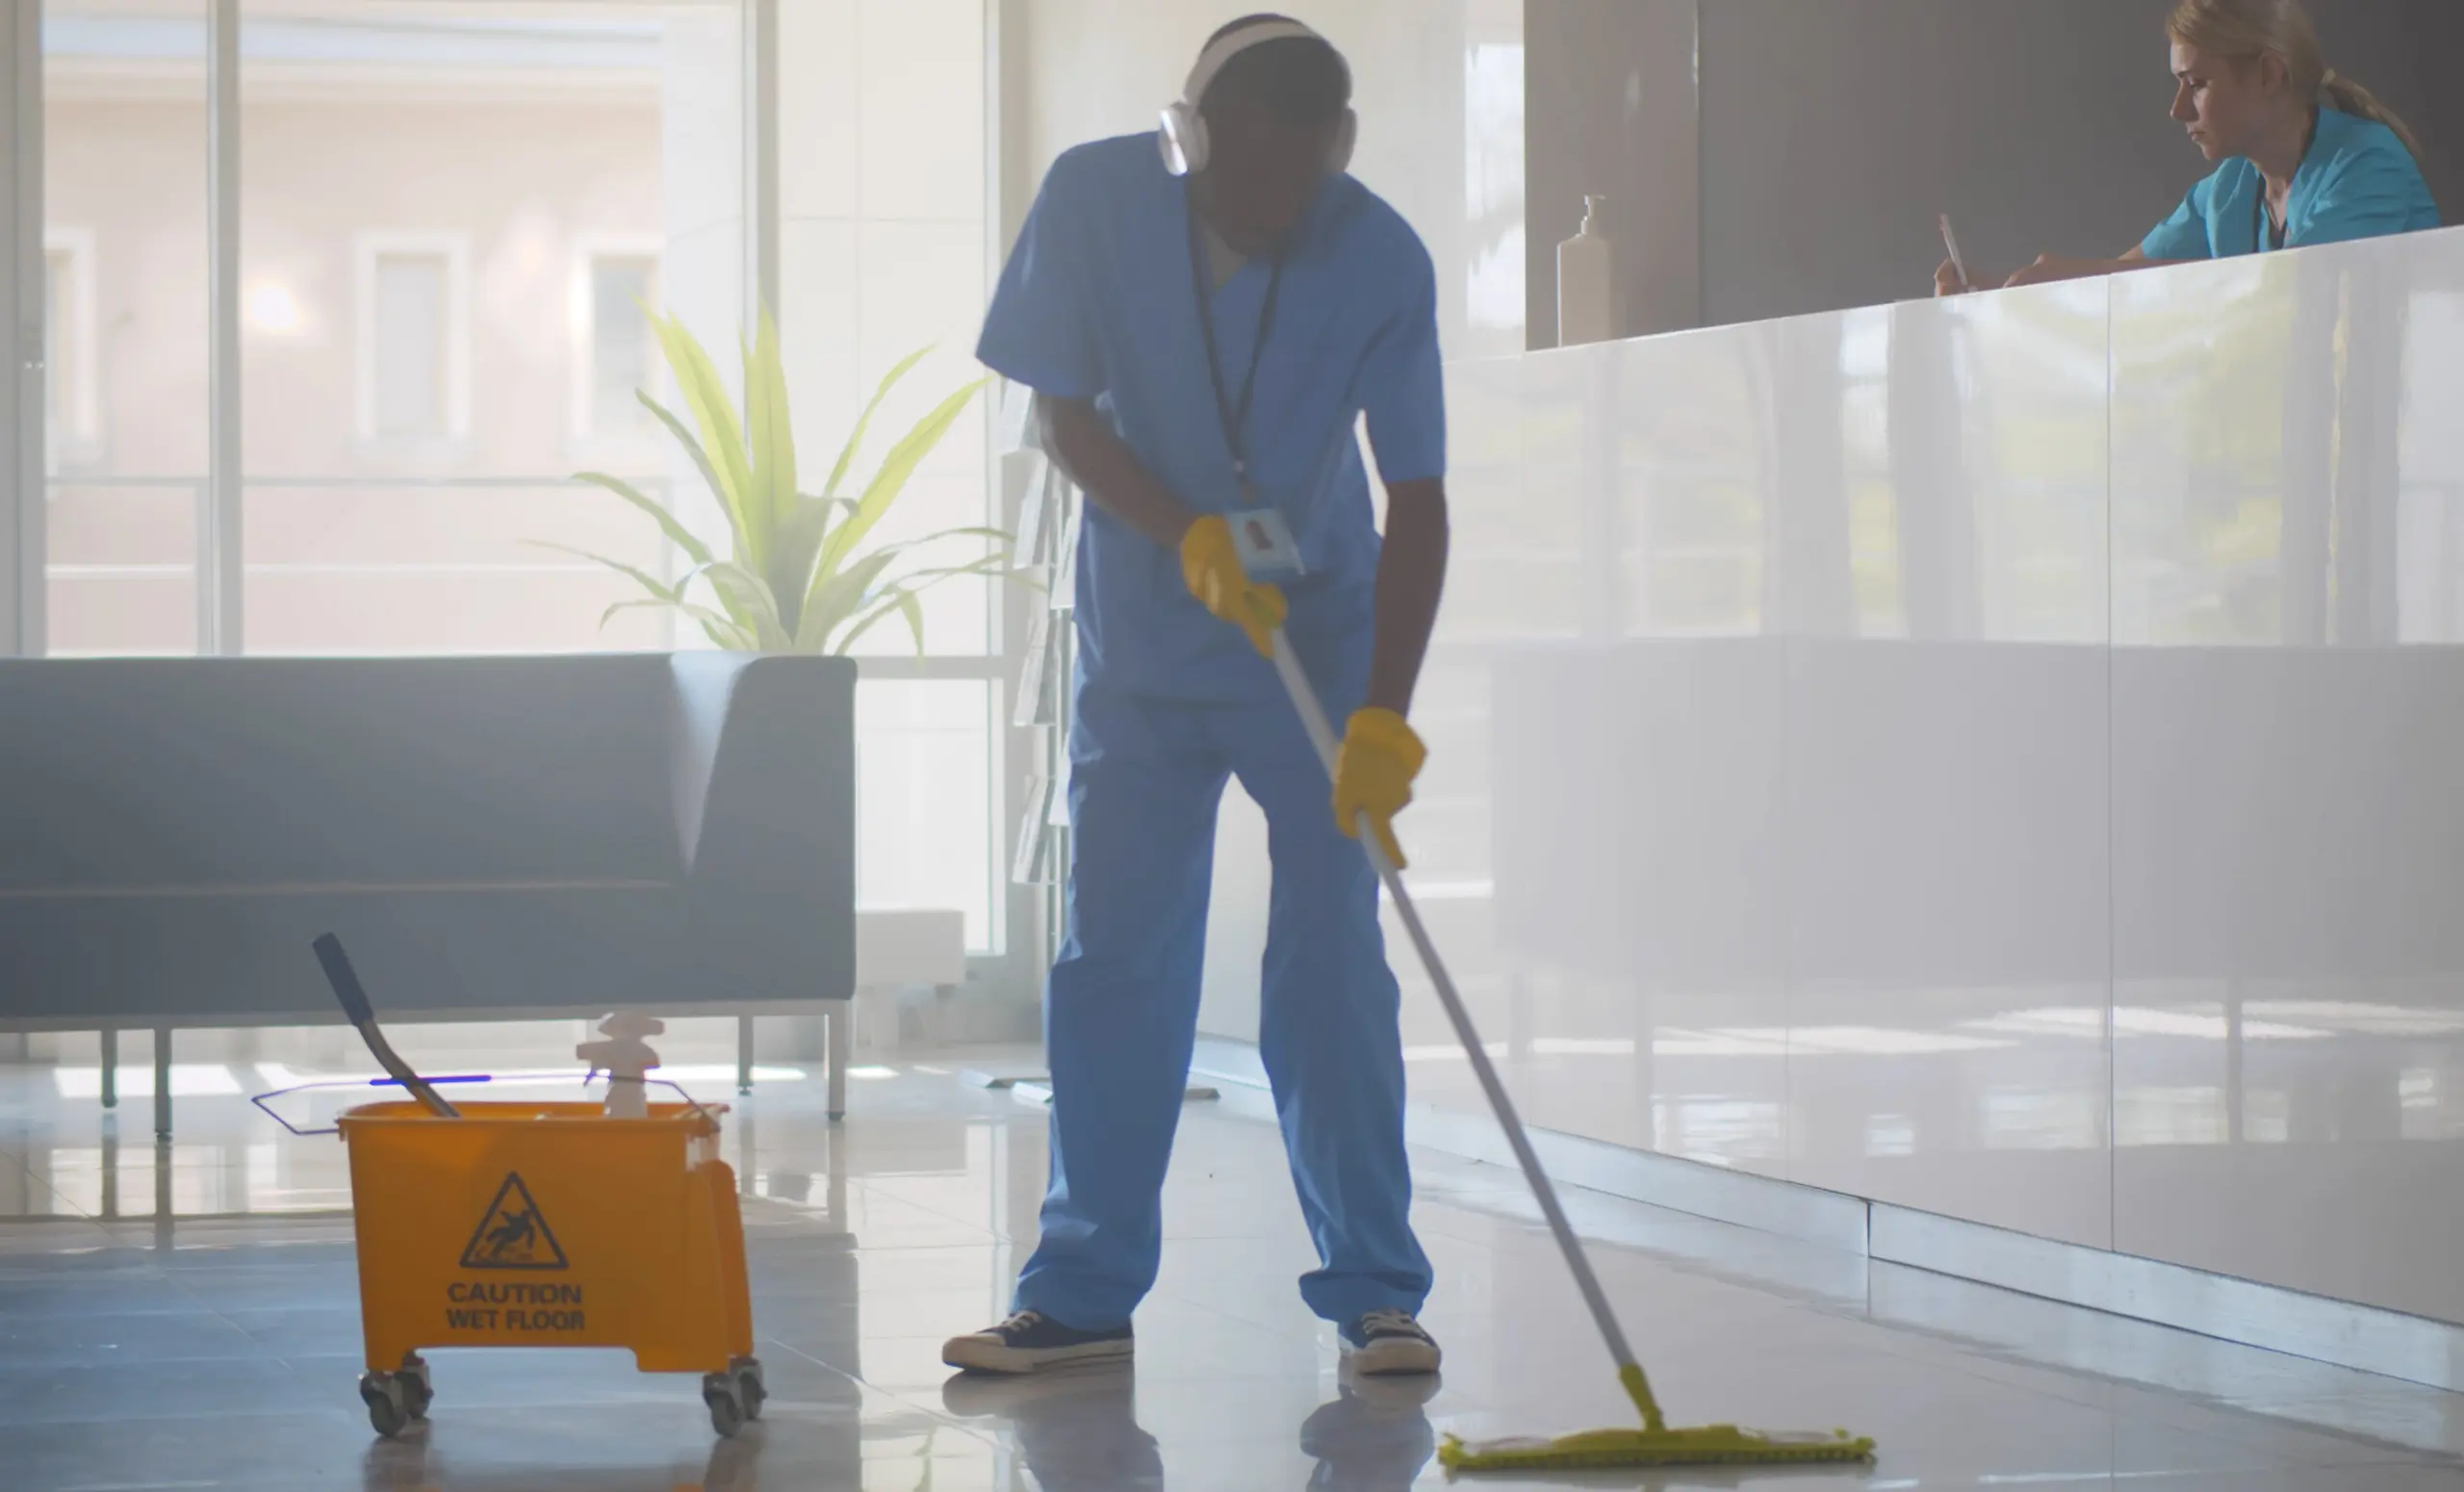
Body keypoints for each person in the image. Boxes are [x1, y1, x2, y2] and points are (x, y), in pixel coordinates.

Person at [940, 14, 1450, 1378]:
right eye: (1248, 186)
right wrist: (1187, 531)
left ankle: (1376, 1289)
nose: (1277, 213)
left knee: (1335, 960)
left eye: (1304, 187)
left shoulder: (1382, 253)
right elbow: (1063, 415)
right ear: (1194, 140)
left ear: (1337, 155)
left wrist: (1384, 715)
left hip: (1316, 644)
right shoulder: (1096, 200)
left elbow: (1418, 496)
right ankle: (1083, 1285)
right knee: (1117, 957)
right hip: (1154, 652)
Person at [1937, 0, 2438, 295]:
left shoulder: (2369, 166)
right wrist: (1987, 292)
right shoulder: (2224, 193)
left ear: (2268, 74)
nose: (2177, 109)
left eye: (2196, 83)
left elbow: (2290, 295)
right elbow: (2123, 278)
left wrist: (2072, 273)